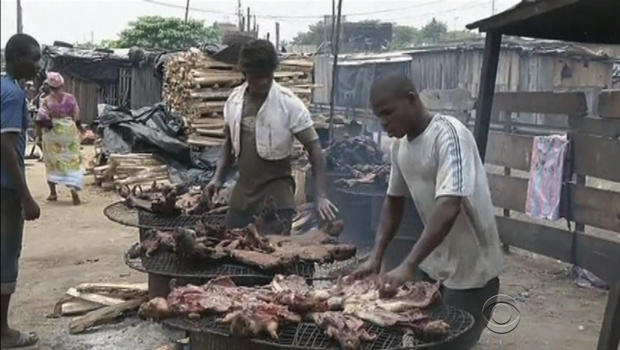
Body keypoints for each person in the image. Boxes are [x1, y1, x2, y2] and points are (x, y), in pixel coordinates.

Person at [347, 74, 503, 349]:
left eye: (388, 112)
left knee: (450, 344)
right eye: (378, 116)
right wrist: (376, 257)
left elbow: (449, 205)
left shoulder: (449, 134)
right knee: (421, 337)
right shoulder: (400, 146)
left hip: (472, 272)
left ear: (411, 99)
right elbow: (393, 201)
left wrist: (407, 264)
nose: (383, 123)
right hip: (436, 266)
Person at [205, 39, 337, 231]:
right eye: (257, 77)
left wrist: (320, 195)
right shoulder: (234, 101)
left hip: (277, 197)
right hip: (243, 195)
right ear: (245, 74)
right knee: (230, 247)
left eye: (267, 75)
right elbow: (228, 143)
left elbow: (315, 148)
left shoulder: (289, 104)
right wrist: (217, 178)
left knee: (272, 254)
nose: (264, 81)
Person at [1, 33, 42, 349]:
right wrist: (26, 196)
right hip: (6, 189)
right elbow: (7, 147)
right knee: (6, 255)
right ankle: (3, 332)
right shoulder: (13, 94)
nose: (37, 65)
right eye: (33, 58)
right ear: (16, 58)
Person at [36, 71, 83, 205]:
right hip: (69, 130)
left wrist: (39, 136)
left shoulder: (46, 101)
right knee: (71, 159)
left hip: (53, 132)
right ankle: (73, 187)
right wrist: (78, 129)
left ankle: (53, 193)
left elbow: (41, 119)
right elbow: (77, 116)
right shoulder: (70, 98)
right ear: (62, 85)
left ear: (49, 87)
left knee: (51, 161)